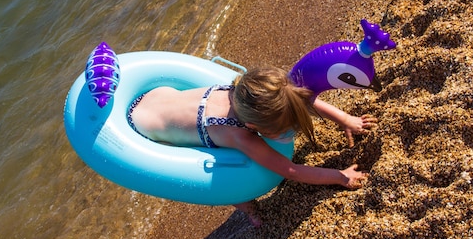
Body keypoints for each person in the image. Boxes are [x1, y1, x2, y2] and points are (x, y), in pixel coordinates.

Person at [128, 66, 377, 226]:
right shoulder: (239, 135)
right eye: (280, 131)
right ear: (251, 125)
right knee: (224, 174)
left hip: (158, 95)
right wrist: (340, 177)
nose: (288, 133)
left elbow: (301, 101)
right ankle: (248, 208)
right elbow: (289, 170)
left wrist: (345, 119)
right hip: (147, 128)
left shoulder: (243, 91)